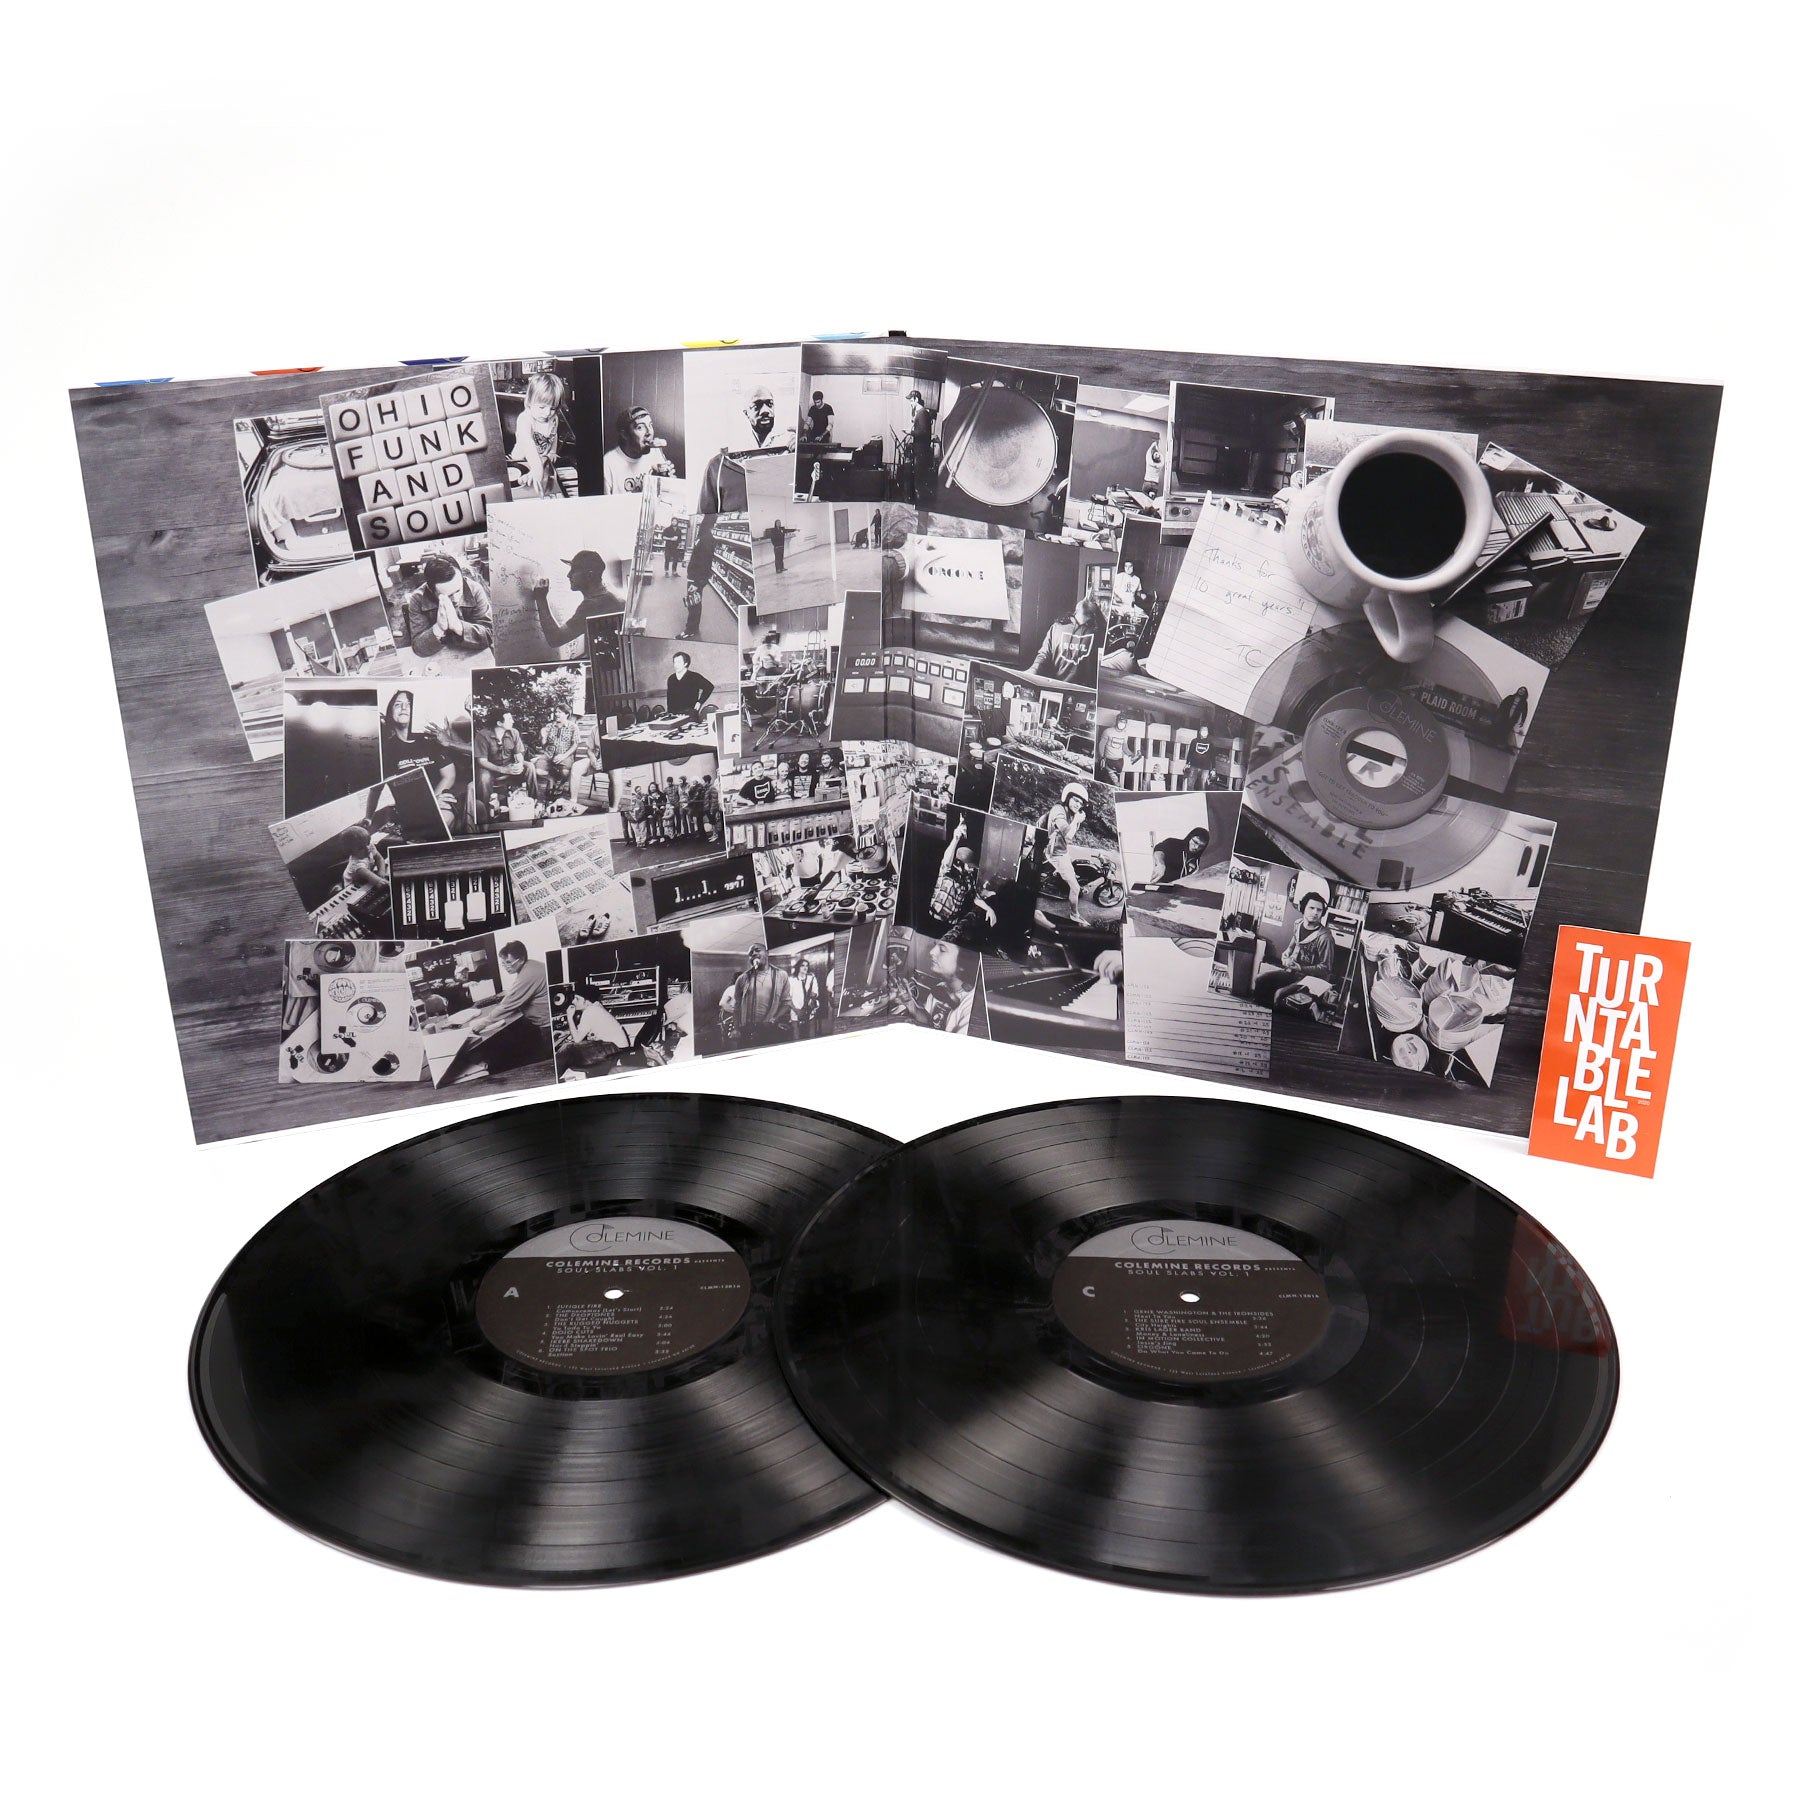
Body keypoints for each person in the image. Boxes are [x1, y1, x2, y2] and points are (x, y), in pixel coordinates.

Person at [439, 939, 550, 1083]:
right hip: (542, 1021)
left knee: (547, 1065)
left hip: (545, 1025)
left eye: (508, 962)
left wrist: (482, 1024)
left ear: (521, 959)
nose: (505, 967)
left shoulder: (528, 974)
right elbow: (517, 995)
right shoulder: (531, 966)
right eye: (503, 963)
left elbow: (507, 1006)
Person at [698, 384, 795, 511]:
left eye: (769, 404)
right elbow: (704, 515)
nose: (765, 410)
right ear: (746, 413)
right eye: (757, 406)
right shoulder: (717, 465)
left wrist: (801, 456)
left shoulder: (791, 454)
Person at [401, 554, 494, 670]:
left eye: (458, 590)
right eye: (448, 595)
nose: (455, 599)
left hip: (474, 658)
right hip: (438, 662)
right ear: (431, 590)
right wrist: (438, 628)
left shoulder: (475, 590)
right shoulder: (417, 599)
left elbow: (490, 635)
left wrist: (458, 626)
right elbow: (418, 648)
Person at [1253, 892, 1336, 1017]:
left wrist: (1301, 968)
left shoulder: (1325, 937)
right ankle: (1259, 1015)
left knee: (1280, 994)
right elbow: (1293, 945)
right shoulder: (1298, 924)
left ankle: (1277, 1021)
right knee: (1260, 979)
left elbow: (1326, 968)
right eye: (1311, 908)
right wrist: (1286, 953)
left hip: (1312, 979)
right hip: (1293, 972)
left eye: (1319, 910)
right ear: (1303, 908)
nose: (1315, 912)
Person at [536, 549, 627, 660]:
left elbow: (555, 639)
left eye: (574, 570)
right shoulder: (608, 594)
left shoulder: (594, 605)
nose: (568, 575)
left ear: (589, 575)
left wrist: (541, 598)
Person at [719, 942, 794, 1049]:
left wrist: (774, 1018)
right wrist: (736, 1029)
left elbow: (787, 1002)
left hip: (770, 1027)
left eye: (757, 950)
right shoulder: (742, 978)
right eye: (750, 953)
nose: (754, 953)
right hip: (746, 1028)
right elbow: (737, 1007)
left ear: (767, 953)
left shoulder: (781, 975)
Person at [1027, 591, 1104, 685]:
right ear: (1076, 610)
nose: (1085, 599)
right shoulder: (1057, 627)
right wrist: (1033, 670)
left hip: (1081, 691)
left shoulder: (1098, 633)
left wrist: (1099, 614)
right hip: (1058, 687)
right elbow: (1044, 655)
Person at [510, 369, 565, 498]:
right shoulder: (525, 419)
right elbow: (528, 444)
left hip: (541, 460)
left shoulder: (554, 418)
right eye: (542, 407)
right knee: (523, 492)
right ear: (529, 400)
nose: (547, 413)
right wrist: (536, 468)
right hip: (522, 460)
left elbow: (554, 435)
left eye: (553, 408)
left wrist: (552, 452)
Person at [903, 938, 976, 1034]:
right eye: (935, 945)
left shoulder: (972, 1007)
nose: (931, 952)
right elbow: (928, 1021)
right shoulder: (940, 987)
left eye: (942, 949)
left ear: (964, 962)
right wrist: (910, 1004)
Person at [1034, 783, 1091, 906]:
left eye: (1081, 803)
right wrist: (1077, 820)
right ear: (1067, 797)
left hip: (1061, 850)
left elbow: (1068, 835)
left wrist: (1076, 820)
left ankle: (1058, 875)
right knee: (1075, 888)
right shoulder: (1058, 811)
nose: (1078, 805)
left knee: (1073, 867)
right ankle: (1074, 914)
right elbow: (1069, 836)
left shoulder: (1069, 812)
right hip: (1055, 853)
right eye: (1076, 800)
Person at [531, 703, 594, 807]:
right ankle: (552, 779)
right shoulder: (549, 726)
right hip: (548, 755)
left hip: (565, 755)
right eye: (555, 712)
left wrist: (563, 756)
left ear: (566, 714)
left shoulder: (573, 727)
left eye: (559, 712)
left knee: (565, 772)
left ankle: (561, 783)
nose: (556, 714)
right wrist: (543, 737)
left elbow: (575, 745)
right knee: (537, 770)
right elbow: (544, 745)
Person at [602, 405, 675, 494]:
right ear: (624, 435)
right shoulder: (607, 464)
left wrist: (665, 481)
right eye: (640, 427)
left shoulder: (655, 452)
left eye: (650, 425)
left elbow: (665, 494)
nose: (649, 432)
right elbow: (603, 502)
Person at [928, 815, 982, 934]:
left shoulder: (969, 879)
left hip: (950, 925)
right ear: (961, 863)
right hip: (934, 920)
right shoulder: (948, 872)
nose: (972, 869)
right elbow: (946, 860)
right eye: (970, 866)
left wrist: (989, 909)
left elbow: (975, 897)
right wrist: (955, 839)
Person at [474, 708, 528, 827]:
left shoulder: (513, 732)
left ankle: (532, 802)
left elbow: (518, 754)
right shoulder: (482, 735)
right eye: (509, 719)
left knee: (530, 767)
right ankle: (486, 813)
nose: (513, 721)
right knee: (483, 777)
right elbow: (482, 761)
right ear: (499, 723)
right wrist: (503, 770)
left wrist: (519, 764)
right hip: (490, 768)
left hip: (509, 765)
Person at [1143, 825, 1211, 888]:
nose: (1196, 847)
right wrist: (1160, 864)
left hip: (1179, 890)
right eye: (1195, 842)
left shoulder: (1196, 859)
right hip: (1162, 887)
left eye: (1201, 846)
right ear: (1190, 837)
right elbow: (1158, 850)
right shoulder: (1173, 843)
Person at [665, 650, 715, 719]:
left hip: (690, 714)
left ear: (685, 663)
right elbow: (669, 698)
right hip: (675, 715)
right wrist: (669, 714)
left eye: (679, 662)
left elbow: (709, 687)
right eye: (674, 662)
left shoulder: (694, 676)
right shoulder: (671, 678)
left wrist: (700, 702)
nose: (676, 665)